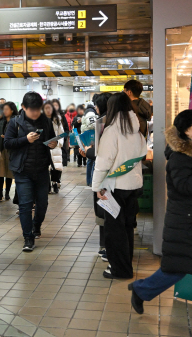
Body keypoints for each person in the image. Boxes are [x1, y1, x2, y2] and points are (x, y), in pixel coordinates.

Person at [129, 109, 192, 332]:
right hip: (187, 223)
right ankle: (141, 290)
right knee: (176, 268)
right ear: (186, 130)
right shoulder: (178, 156)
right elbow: (185, 187)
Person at [92, 93, 146, 279]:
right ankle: (125, 265)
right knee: (127, 228)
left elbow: (103, 162)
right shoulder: (137, 129)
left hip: (115, 187)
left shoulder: (113, 130)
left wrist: (97, 187)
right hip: (134, 185)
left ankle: (120, 269)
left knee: (114, 231)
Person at [5, 92, 57, 251]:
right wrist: (25, 140)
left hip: (42, 169)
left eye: (38, 109)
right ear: (23, 107)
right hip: (23, 171)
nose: (35, 113)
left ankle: (37, 225)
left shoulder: (47, 122)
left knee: (43, 203)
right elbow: (7, 143)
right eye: (31, 110)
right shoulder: (15, 123)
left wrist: (52, 144)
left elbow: (52, 139)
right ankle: (28, 237)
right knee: (25, 205)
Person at [80, 93, 111, 261]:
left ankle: (106, 246)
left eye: (97, 106)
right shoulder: (123, 123)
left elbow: (101, 152)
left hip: (104, 176)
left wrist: (88, 151)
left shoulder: (104, 124)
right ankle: (106, 246)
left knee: (104, 212)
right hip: (116, 176)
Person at [0, 101, 18, 202]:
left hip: (11, 150)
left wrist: (9, 137)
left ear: (12, 110)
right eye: (4, 109)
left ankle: (7, 193)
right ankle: (0, 193)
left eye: (7, 109)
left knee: (9, 172)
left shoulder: (16, 120)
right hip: (0, 149)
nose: (5, 111)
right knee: (0, 172)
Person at [42, 102, 64, 194]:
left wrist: (57, 142)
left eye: (49, 108)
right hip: (45, 147)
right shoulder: (40, 120)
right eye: (46, 108)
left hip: (55, 147)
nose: (48, 110)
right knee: (46, 168)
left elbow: (62, 133)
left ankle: (55, 183)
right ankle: (47, 186)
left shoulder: (57, 120)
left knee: (56, 168)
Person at [51, 99, 70, 166]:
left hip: (60, 145)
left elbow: (66, 130)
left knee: (59, 166)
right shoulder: (47, 117)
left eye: (56, 105)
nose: (55, 107)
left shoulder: (62, 116)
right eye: (53, 105)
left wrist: (61, 140)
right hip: (50, 145)